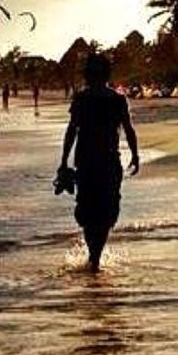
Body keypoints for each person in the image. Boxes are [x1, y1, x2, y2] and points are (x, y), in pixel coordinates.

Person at [57, 53, 139, 273]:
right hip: (109, 162)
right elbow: (128, 129)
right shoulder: (117, 98)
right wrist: (135, 155)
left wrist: (64, 161)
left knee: (88, 210)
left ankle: (93, 257)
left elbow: (72, 130)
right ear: (106, 74)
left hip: (86, 163)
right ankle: (96, 257)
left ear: (88, 75)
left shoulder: (81, 98)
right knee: (106, 210)